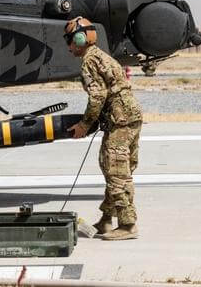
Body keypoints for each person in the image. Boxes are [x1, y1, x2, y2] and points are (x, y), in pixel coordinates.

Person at [65, 16, 142, 241]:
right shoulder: (101, 56)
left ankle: (127, 225)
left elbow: (97, 96)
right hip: (130, 115)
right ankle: (107, 220)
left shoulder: (89, 60)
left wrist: (84, 125)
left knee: (115, 170)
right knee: (117, 166)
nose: (69, 46)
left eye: (70, 41)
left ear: (80, 39)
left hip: (120, 119)